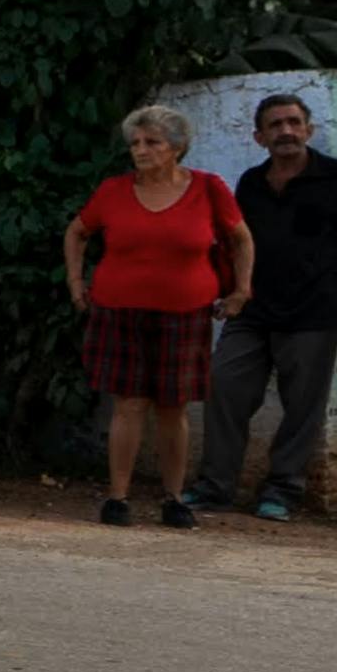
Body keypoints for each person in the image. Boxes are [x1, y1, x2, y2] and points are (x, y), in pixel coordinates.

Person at [63, 104, 251, 528]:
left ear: (177, 148)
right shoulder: (113, 191)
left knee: (173, 406)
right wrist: (76, 283)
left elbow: (240, 238)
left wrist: (242, 290)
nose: (141, 151)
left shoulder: (208, 188)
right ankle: (118, 497)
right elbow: (77, 232)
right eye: (135, 143)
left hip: (184, 314)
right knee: (127, 404)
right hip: (120, 310)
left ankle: (173, 498)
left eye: (152, 142)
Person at [197, 92, 337, 522]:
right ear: (260, 137)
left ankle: (282, 491)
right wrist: (234, 292)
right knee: (223, 386)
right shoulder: (250, 183)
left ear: (309, 130)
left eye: (294, 122)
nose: (286, 131)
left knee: (303, 408)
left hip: (313, 313)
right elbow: (239, 245)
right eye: (275, 125)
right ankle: (215, 487)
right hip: (252, 311)